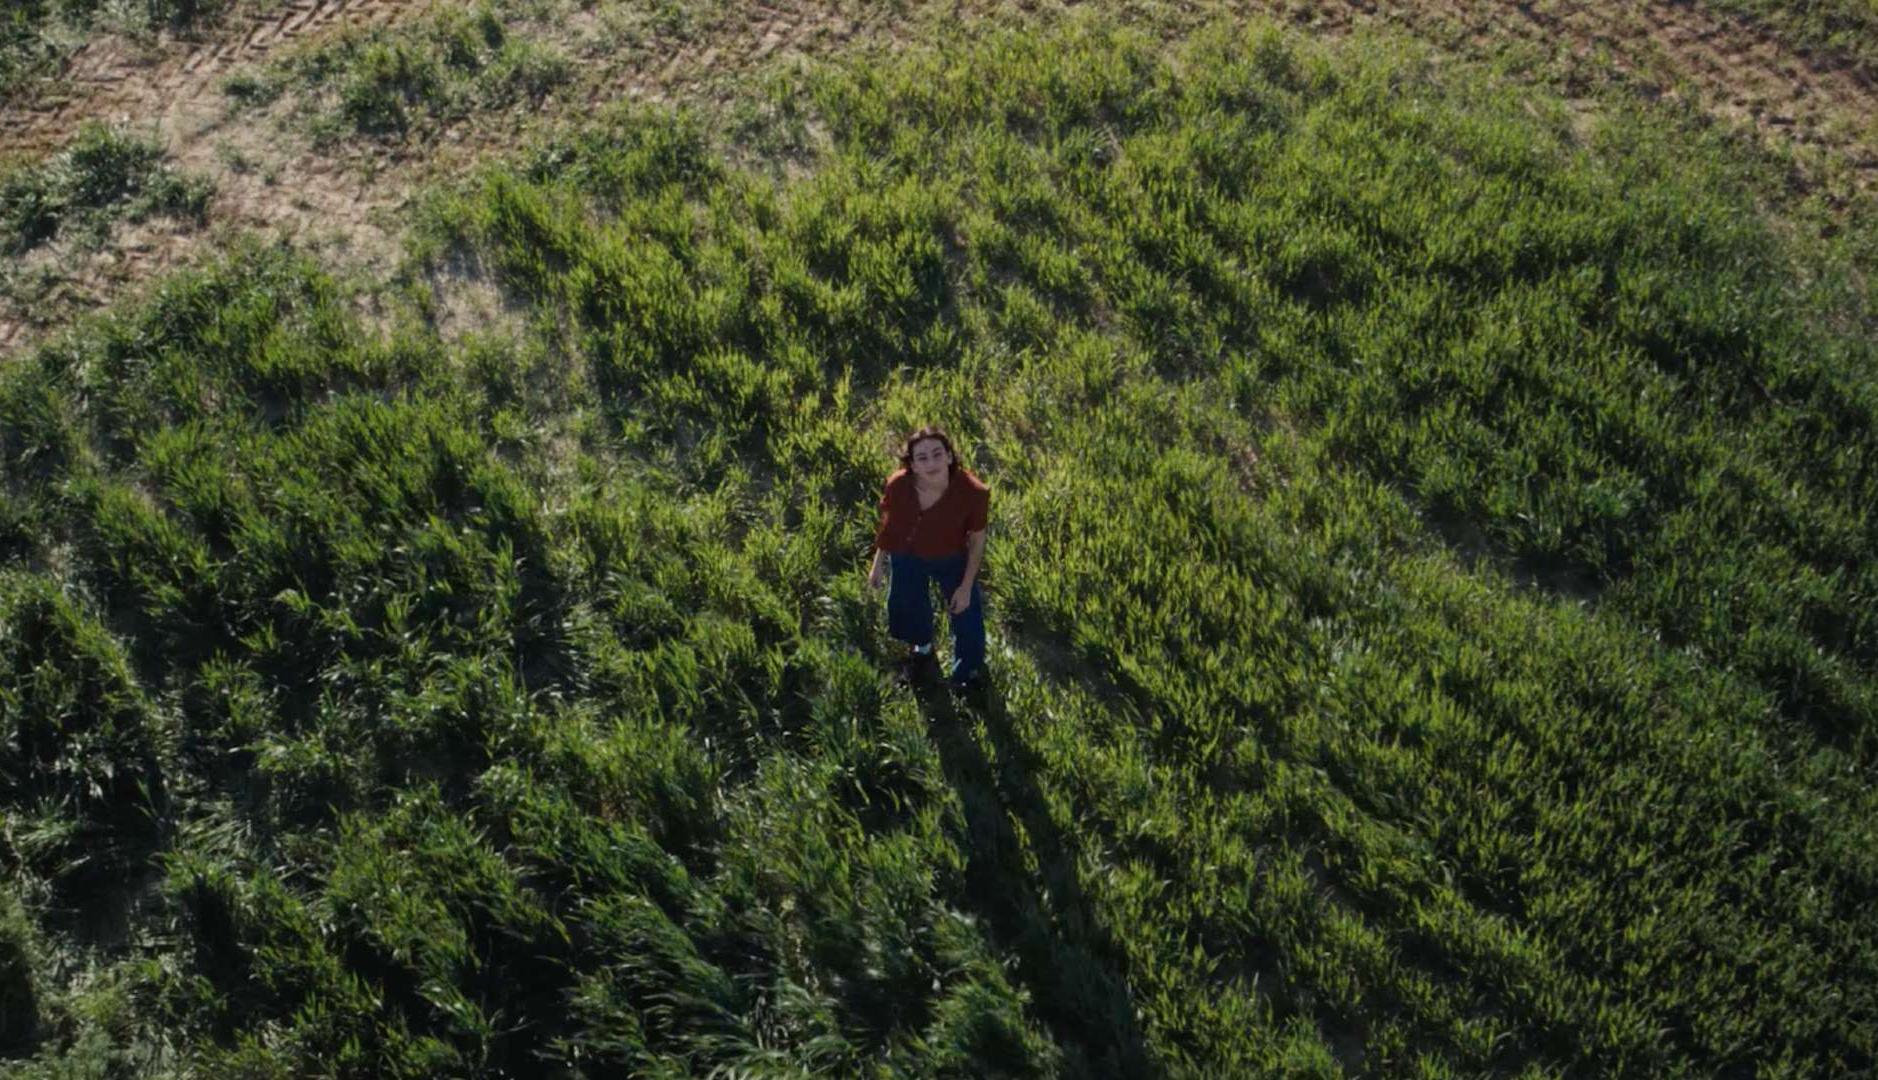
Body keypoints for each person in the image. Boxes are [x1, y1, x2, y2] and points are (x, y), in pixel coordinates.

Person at [865, 425, 989, 692]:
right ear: (912, 464)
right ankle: (922, 650)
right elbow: (891, 526)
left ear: (949, 456)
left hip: (950, 556)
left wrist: (966, 586)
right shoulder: (899, 485)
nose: (931, 463)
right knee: (905, 604)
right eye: (922, 458)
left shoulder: (973, 493)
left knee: (966, 614)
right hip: (907, 554)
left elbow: (978, 540)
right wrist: (878, 564)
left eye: (937, 454)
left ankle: (967, 674)